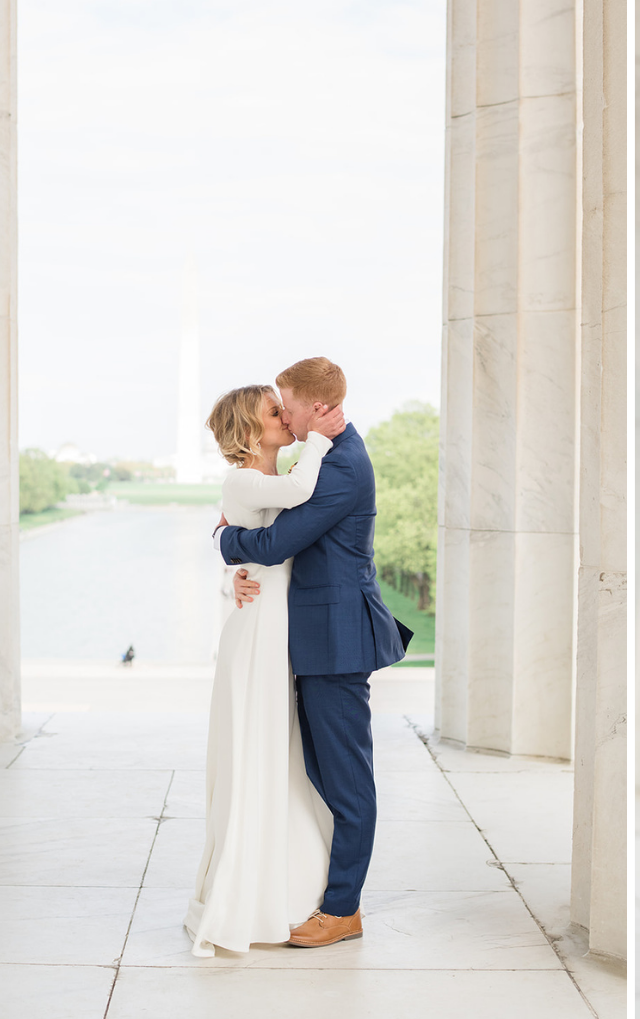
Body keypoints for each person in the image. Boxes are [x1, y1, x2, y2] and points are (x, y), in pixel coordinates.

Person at [217, 357, 413, 949]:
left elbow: (276, 543)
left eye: (286, 404)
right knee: (316, 771)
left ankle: (343, 909)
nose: (282, 413)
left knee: (346, 777)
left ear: (317, 407)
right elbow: (266, 508)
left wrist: (228, 541)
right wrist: (234, 559)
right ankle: (314, 884)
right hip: (309, 638)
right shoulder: (317, 455)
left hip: (337, 640)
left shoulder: (340, 465)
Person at [186, 383, 344, 956]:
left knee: (285, 751)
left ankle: (289, 880)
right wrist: (322, 442)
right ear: (251, 432)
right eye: (273, 412)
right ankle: (252, 893)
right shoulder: (253, 478)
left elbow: (237, 532)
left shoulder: (274, 475)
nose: (285, 415)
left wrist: (233, 562)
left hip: (282, 621)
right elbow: (276, 511)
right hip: (259, 632)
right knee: (259, 747)